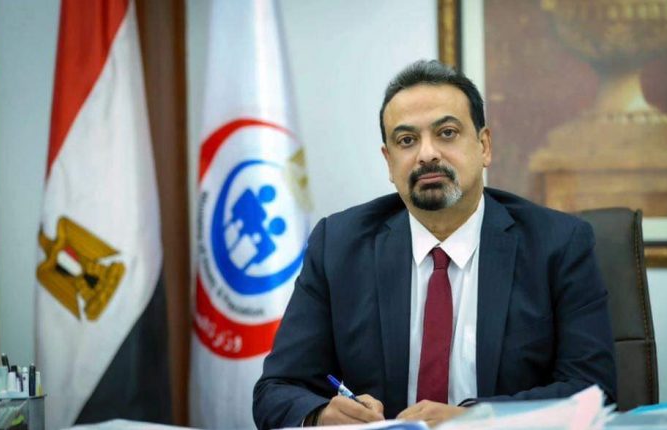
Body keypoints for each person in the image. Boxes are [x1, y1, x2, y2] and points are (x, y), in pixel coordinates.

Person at [253, 59, 616, 429]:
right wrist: (321, 415)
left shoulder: (558, 244)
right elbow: (277, 389)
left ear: (484, 146)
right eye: (406, 141)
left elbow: (592, 389)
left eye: (446, 133)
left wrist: (475, 420)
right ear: (389, 162)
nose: (426, 154)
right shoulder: (338, 246)